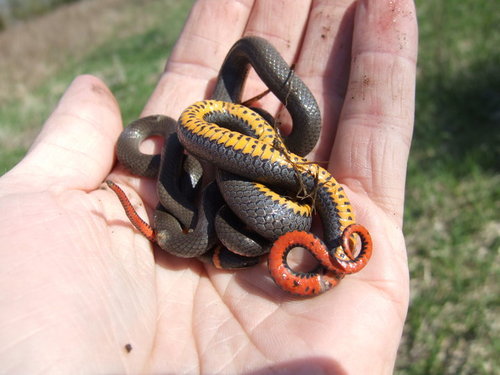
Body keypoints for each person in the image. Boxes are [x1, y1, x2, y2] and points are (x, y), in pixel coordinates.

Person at [0, 0, 418, 373]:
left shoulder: (209, 192)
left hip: (256, 173)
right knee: (233, 171)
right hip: (256, 186)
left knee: (286, 123)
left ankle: (246, 65)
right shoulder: (212, 203)